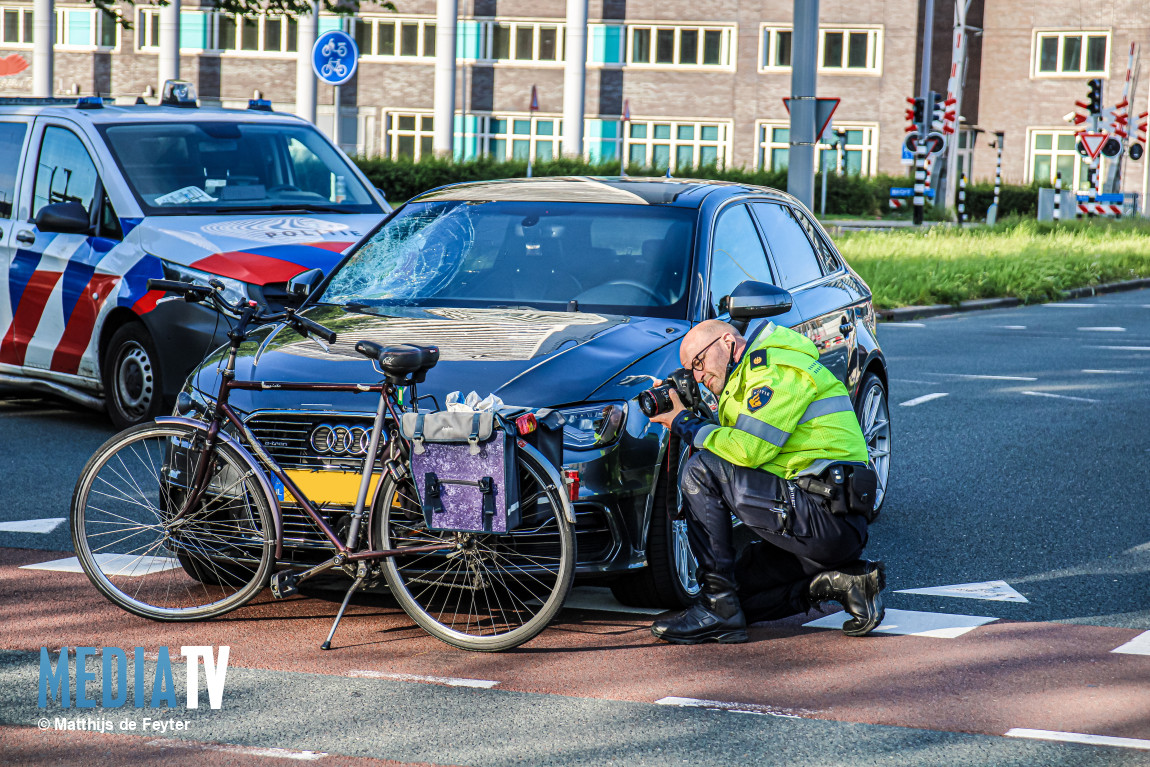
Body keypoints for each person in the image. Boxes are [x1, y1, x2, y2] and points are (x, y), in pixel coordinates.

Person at [647, 318, 885, 644]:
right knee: (735, 598)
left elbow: (747, 450)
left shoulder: (777, 369)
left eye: (699, 362)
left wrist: (685, 423)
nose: (699, 376)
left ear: (728, 343)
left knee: (702, 471)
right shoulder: (747, 380)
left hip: (826, 516)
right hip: (814, 520)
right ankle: (841, 583)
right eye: (692, 371)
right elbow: (743, 449)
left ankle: (716, 609)